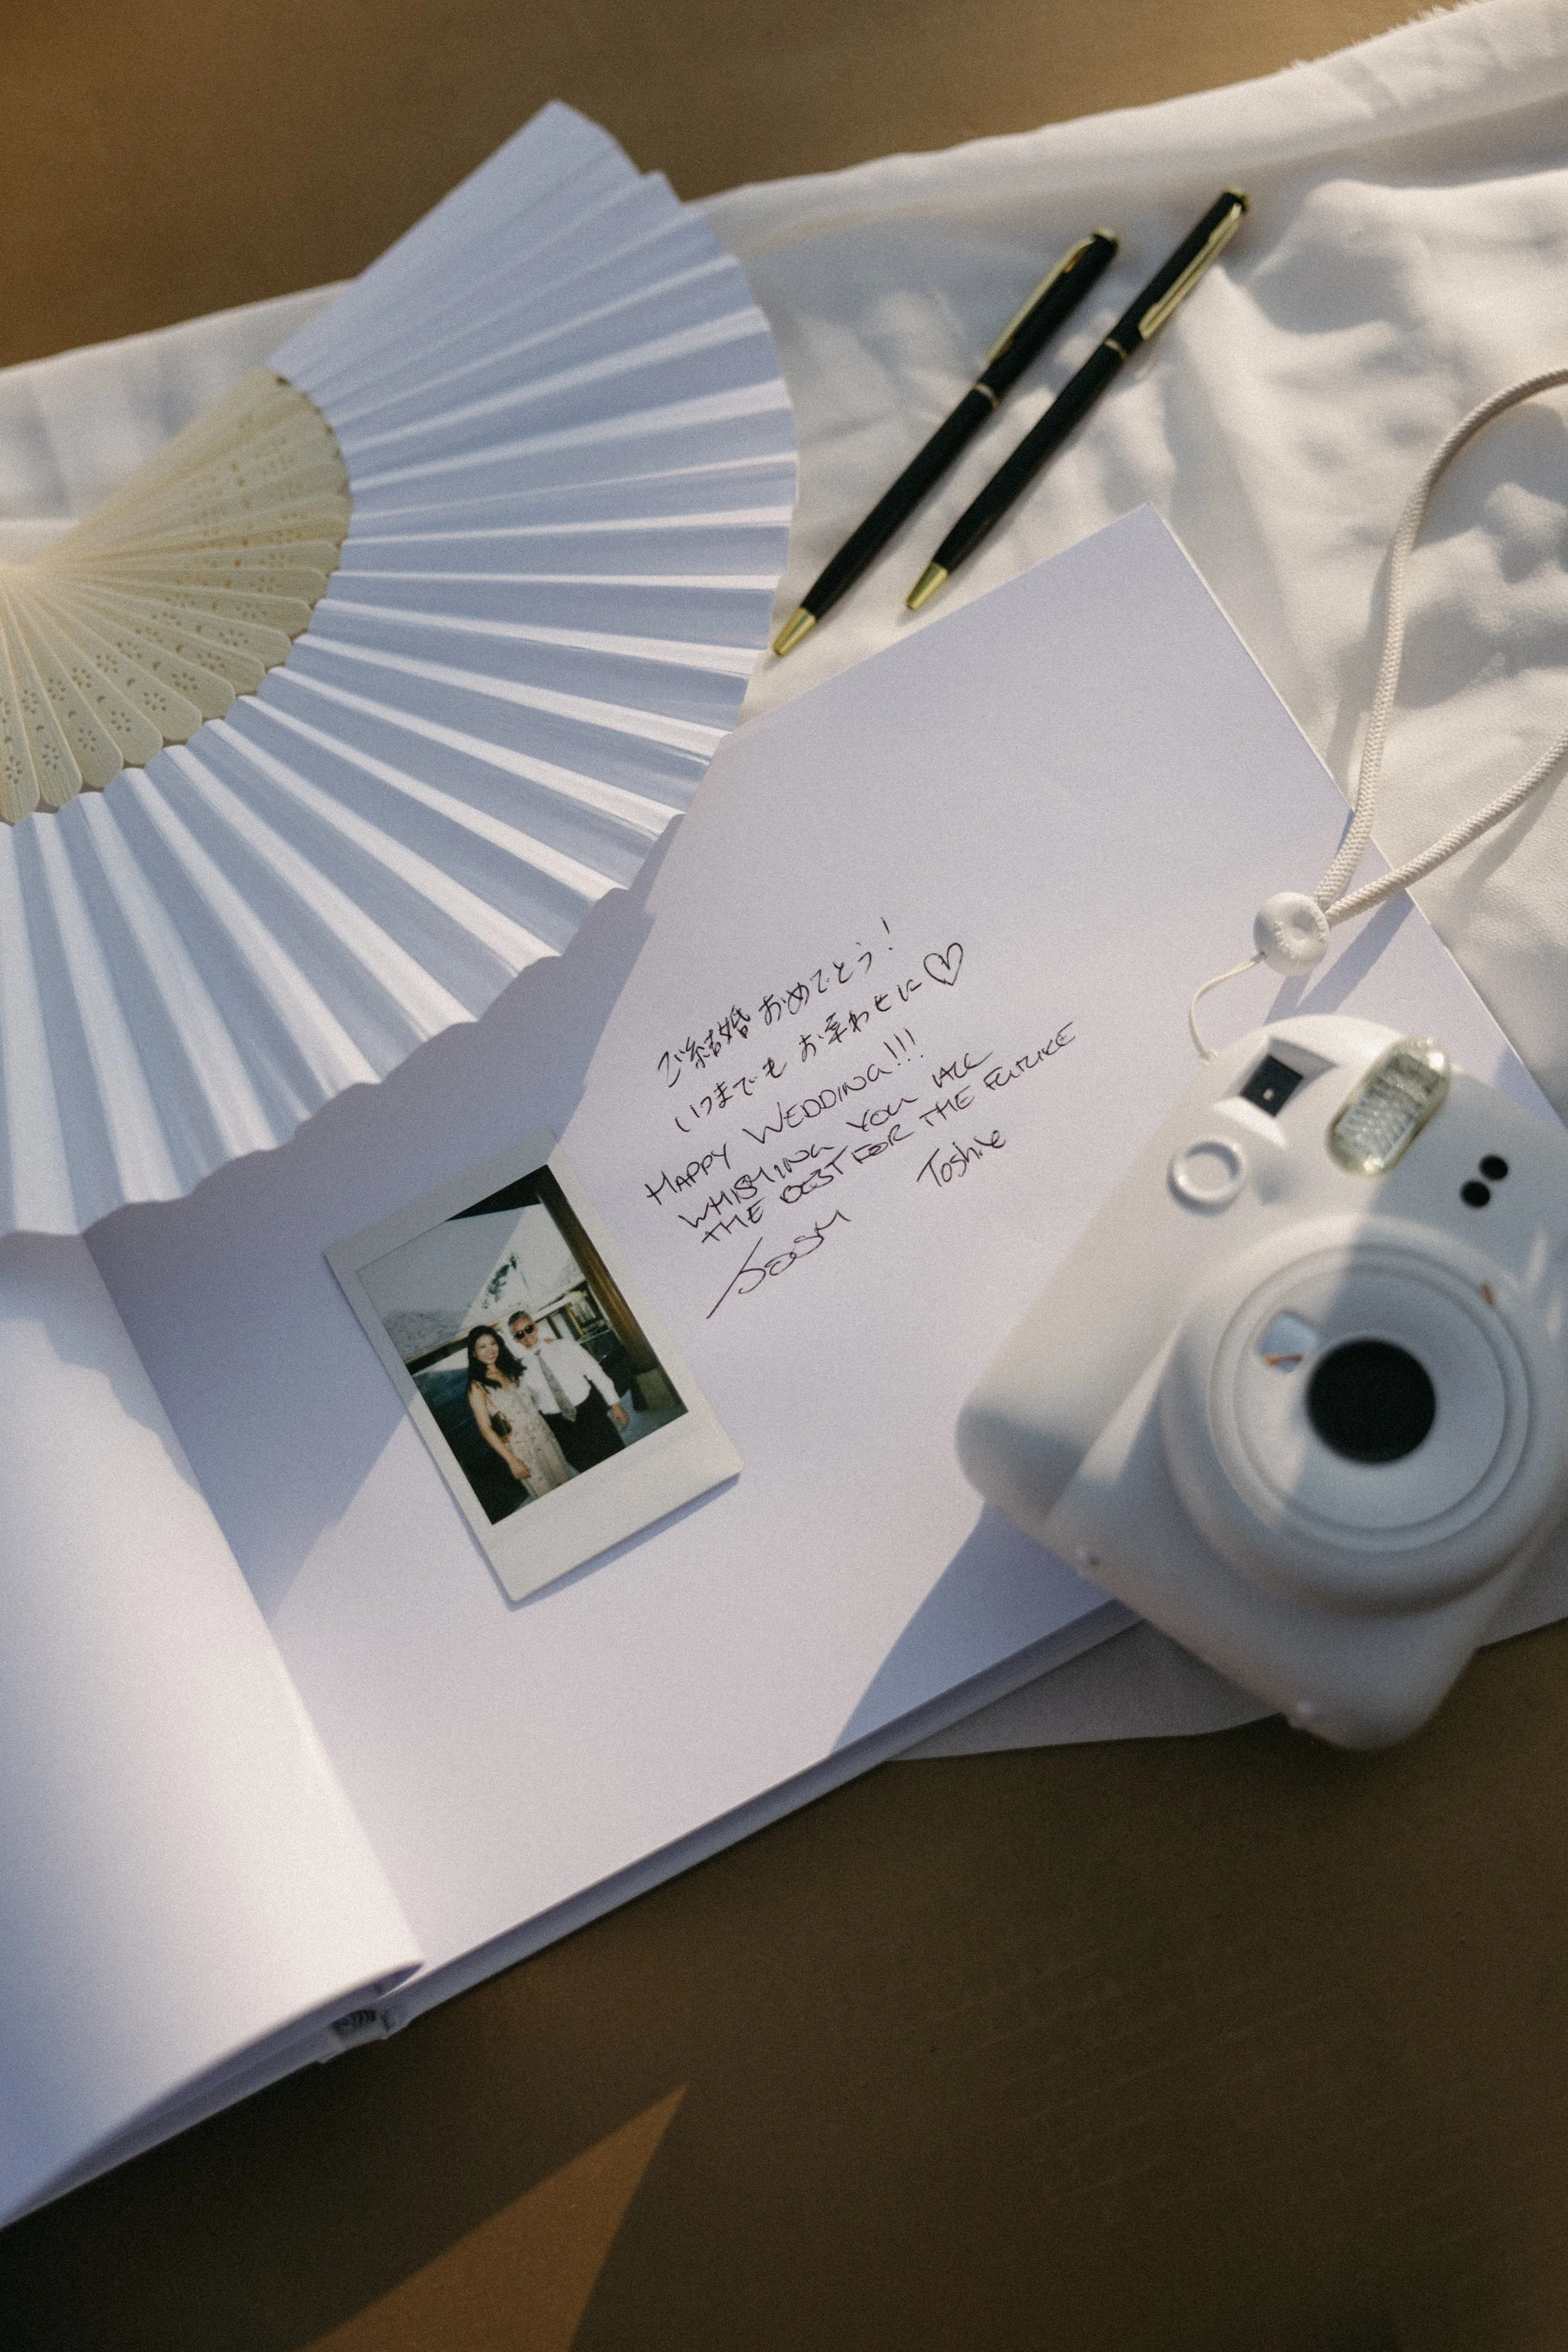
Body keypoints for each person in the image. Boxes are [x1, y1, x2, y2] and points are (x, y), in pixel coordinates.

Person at [507, 1310, 630, 1473]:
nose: (526, 1336)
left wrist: (615, 1404)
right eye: (520, 1334)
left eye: (528, 1329)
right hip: (561, 1427)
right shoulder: (522, 1370)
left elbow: (595, 1372)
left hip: (590, 1413)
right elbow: (530, 1403)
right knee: (591, 1472)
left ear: (535, 1327)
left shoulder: (565, 1346)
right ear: (516, 1340)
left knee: (619, 1459)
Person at [465, 1325, 572, 1501]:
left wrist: (549, 1344)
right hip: (521, 1448)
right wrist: (512, 1461)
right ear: (474, 1353)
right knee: (547, 1497)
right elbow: (485, 1429)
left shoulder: (513, 1369)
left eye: (493, 1344)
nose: (490, 1350)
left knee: (566, 1484)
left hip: (543, 1435)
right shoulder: (477, 1386)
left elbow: (537, 1364)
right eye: (482, 1347)